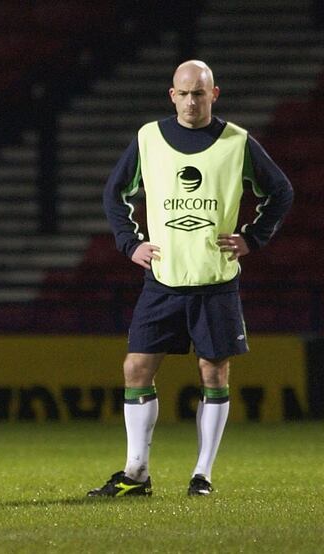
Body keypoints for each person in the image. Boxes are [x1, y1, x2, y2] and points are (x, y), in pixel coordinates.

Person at [92, 61, 293, 497]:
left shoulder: (236, 141)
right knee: (136, 367)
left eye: (198, 94)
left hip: (214, 279)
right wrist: (130, 244)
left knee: (213, 372)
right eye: (183, 94)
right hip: (163, 278)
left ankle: (202, 475)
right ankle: (136, 473)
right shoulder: (149, 137)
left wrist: (252, 239)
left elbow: (281, 191)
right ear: (171, 95)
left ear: (214, 94)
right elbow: (115, 192)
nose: (190, 102)